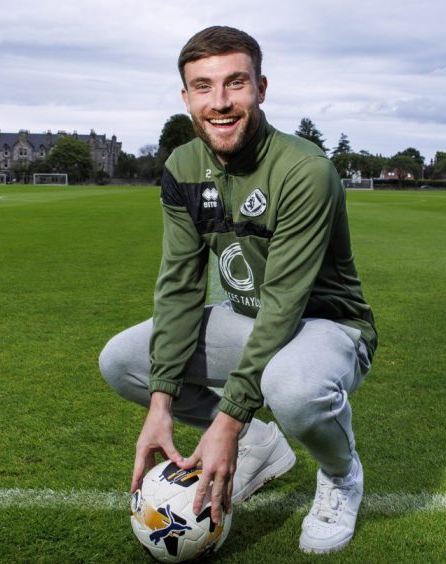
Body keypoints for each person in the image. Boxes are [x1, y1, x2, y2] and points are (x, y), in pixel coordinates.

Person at [99, 25, 377, 554]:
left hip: (326, 325)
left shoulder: (305, 169)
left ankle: (341, 475)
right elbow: (180, 286)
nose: (220, 102)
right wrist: (161, 402)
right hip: (248, 318)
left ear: (261, 88)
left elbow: (285, 302)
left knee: (290, 388)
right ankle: (260, 445)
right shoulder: (182, 166)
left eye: (235, 84)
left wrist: (228, 416)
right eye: (203, 87)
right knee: (124, 361)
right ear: (186, 98)